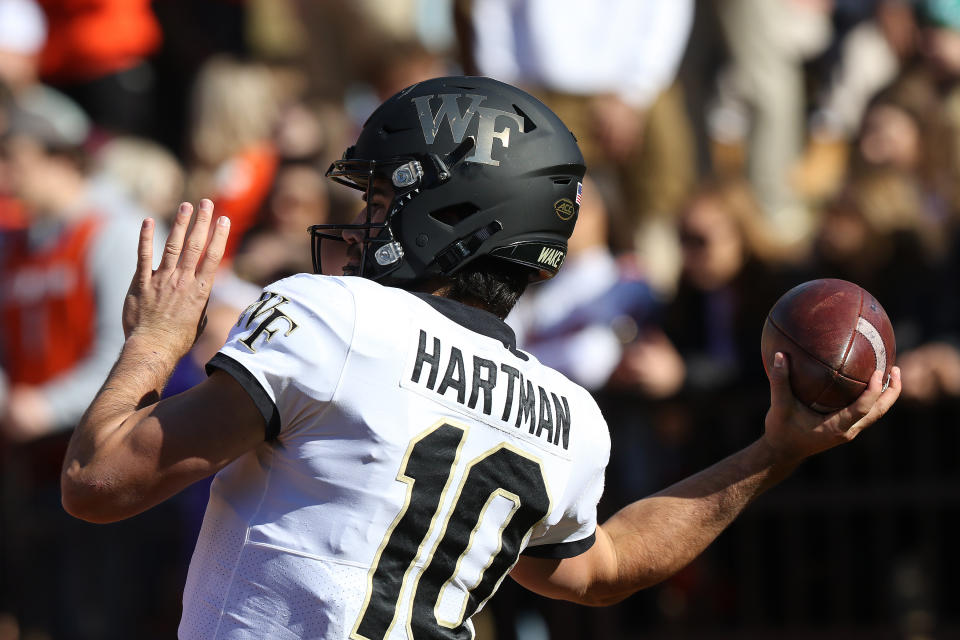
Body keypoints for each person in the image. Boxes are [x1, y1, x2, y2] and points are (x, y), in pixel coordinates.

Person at [60, 76, 900, 639]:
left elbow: (100, 483)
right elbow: (603, 569)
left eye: (385, 198)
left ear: (453, 214)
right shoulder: (569, 417)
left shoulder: (334, 317)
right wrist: (772, 453)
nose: (363, 221)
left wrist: (154, 341)